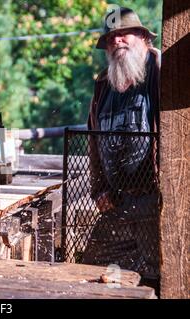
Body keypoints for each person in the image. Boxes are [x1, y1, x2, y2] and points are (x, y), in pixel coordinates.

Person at [83, 7, 161, 281]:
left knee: (157, 274)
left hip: (156, 200)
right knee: (92, 267)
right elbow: (93, 144)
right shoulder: (104, 84)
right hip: (118, 202)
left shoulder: (162, 72)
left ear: (142, 36)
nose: (116, 41)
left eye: (123, 34)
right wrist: (99, 190)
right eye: (110, 38)